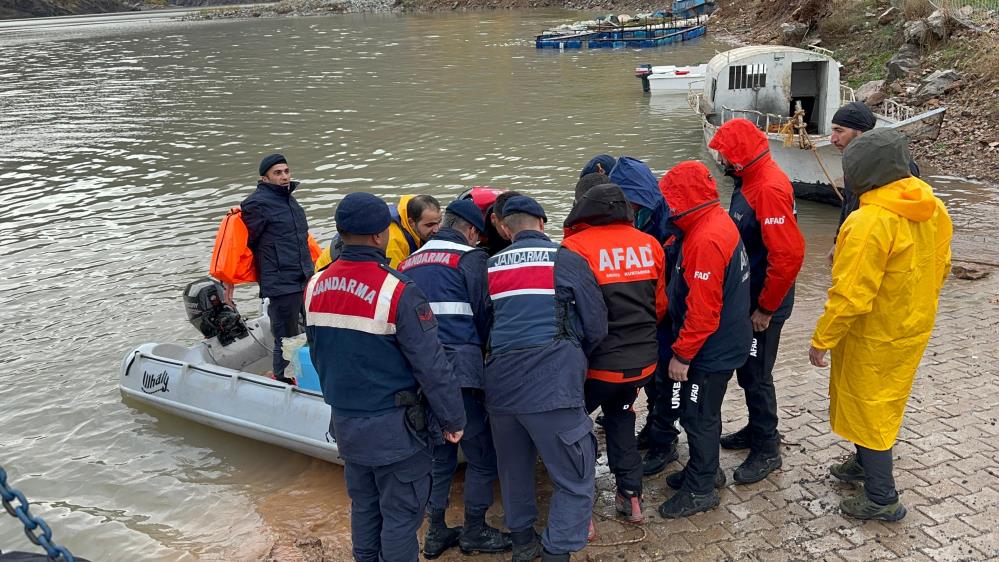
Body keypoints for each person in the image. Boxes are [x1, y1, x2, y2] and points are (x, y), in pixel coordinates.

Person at [304, 192, 466, 562]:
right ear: (380, 235)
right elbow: (432, 365)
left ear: (340, 232)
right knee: (401, 517)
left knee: (364, 507)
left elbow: (317, 354)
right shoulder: (397, 291)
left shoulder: (314, 286)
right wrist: (453, 419)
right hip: (396, 430)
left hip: (347, 424)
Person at [809, 129, 952, 521]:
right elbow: (941, 266)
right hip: (911, 324)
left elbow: (850, 295)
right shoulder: (932, 206)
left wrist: (822, 339)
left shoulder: (869, 222)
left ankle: (881, 497)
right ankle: (863, 463)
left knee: (869, 406)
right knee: (880, 401)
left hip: (872, 332)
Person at [484, 196, 608, 562]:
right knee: (575, 477)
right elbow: (596, 325)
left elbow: (483, 326)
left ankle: (523, 544)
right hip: (553, 387)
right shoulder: (566, 260)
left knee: (514, 471)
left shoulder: (489, 266)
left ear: (504, 228)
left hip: (501, 391)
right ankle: (556, 553)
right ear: (542, 222)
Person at [396, 199, 511, 558]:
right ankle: (474, 530)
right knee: (481, 455)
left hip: (418, 375)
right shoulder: (470, 259)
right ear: (472, 231)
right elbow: (485, 316)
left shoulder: (407, 262)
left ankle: (435, 532)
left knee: (439, 455)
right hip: (459, 374)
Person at [562, 182, 667, 524]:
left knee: (574, 427)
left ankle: (582, 510)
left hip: (598, 366)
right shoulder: (650, 244)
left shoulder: (574, 248)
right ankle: (632, 497)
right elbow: (660, 306)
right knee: (621, 417)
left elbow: (570, 314)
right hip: (642, 363)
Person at [708, 118, 806, 484]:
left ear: (738, 155)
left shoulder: (767, 188)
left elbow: (788, 255)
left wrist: (766, 308)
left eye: (723, 153)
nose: (719, 159)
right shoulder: (749, 179)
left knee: (756, 374)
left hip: (765, 301)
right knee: (748, 372)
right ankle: (756, 429)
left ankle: (767, 448)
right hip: (751, 295)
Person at [655, 161, 752, 517]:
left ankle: (702, 488)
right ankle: (704, 470)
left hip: (711, 348)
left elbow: (703, 310)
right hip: (725, 338)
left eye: (670, 201)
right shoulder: (714, 221)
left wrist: (682, 355)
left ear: (682, 200)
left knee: (698, 416)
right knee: (703, 412)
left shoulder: (705, 239)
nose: (667, 208)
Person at [228, 153, 314, 384]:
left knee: (314, 329)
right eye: (277, 173)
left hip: (305, 277)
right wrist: (230, 283)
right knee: (286, 337)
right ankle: (284, 381)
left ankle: (310, 374)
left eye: (286, 171)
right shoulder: (256, 204)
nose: (284, 177)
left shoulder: (290, 200)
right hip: (281, 282)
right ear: (264, 178)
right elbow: (244, 244)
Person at [827, 101, 921, 264]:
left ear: (860, 132)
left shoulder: (898, 166)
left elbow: (908, 216)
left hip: (883, 250)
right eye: (833, 131)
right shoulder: (854, 164)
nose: (832, 139)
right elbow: (848, 205)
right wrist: (838, 241)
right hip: (859, 242)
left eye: (839, 131)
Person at [314, 194, 442, 270]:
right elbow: (391, 280)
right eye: (429, 225)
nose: (437, 229)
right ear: (411, 222)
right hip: (327, 269)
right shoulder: (393, 241)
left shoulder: (412, 212)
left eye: (439, 222)